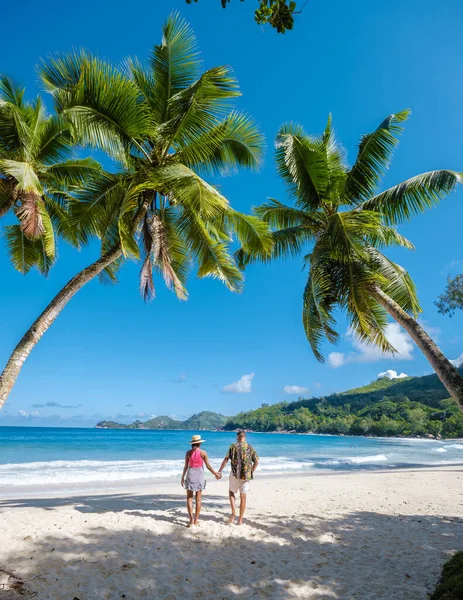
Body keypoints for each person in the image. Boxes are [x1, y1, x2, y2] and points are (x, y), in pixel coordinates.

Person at [218, 430, 259, 525]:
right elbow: (256, 461)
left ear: (237, 437)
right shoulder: (250, 447)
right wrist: (251, 471)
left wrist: (220, 470)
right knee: (243, 497)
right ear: (245, 437)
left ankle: (233, 512)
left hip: (235, 475)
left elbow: (226, 459)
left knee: (231, 492)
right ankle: (240, 520)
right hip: (246, 476)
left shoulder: (233, 447)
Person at [181, 434, 221, 527]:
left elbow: (186, 467)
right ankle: (196, 520)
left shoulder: (188, 453)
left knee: (189, 498)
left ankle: (190, 520)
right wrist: (216, 474)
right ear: (199, 443)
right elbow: (208, 466)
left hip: (190, 474)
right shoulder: (203, 453)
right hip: (199, 475)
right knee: (198, 499)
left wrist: (182, 477)